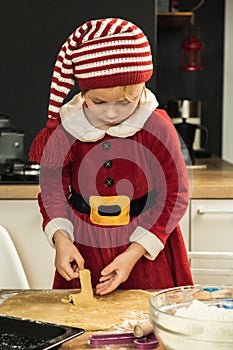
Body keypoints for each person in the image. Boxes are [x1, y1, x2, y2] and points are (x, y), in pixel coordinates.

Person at [29, 17, 193, 295]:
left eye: (124, 103)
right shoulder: (68, 129)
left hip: (144, 254)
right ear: (83, 93)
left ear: (142, 87)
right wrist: (62, 239)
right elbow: (53, 192)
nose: (111, 114)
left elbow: (175, 195)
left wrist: (133, 253)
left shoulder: (157, 127)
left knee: (146, 327)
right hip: (86, 248)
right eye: (99, 103)